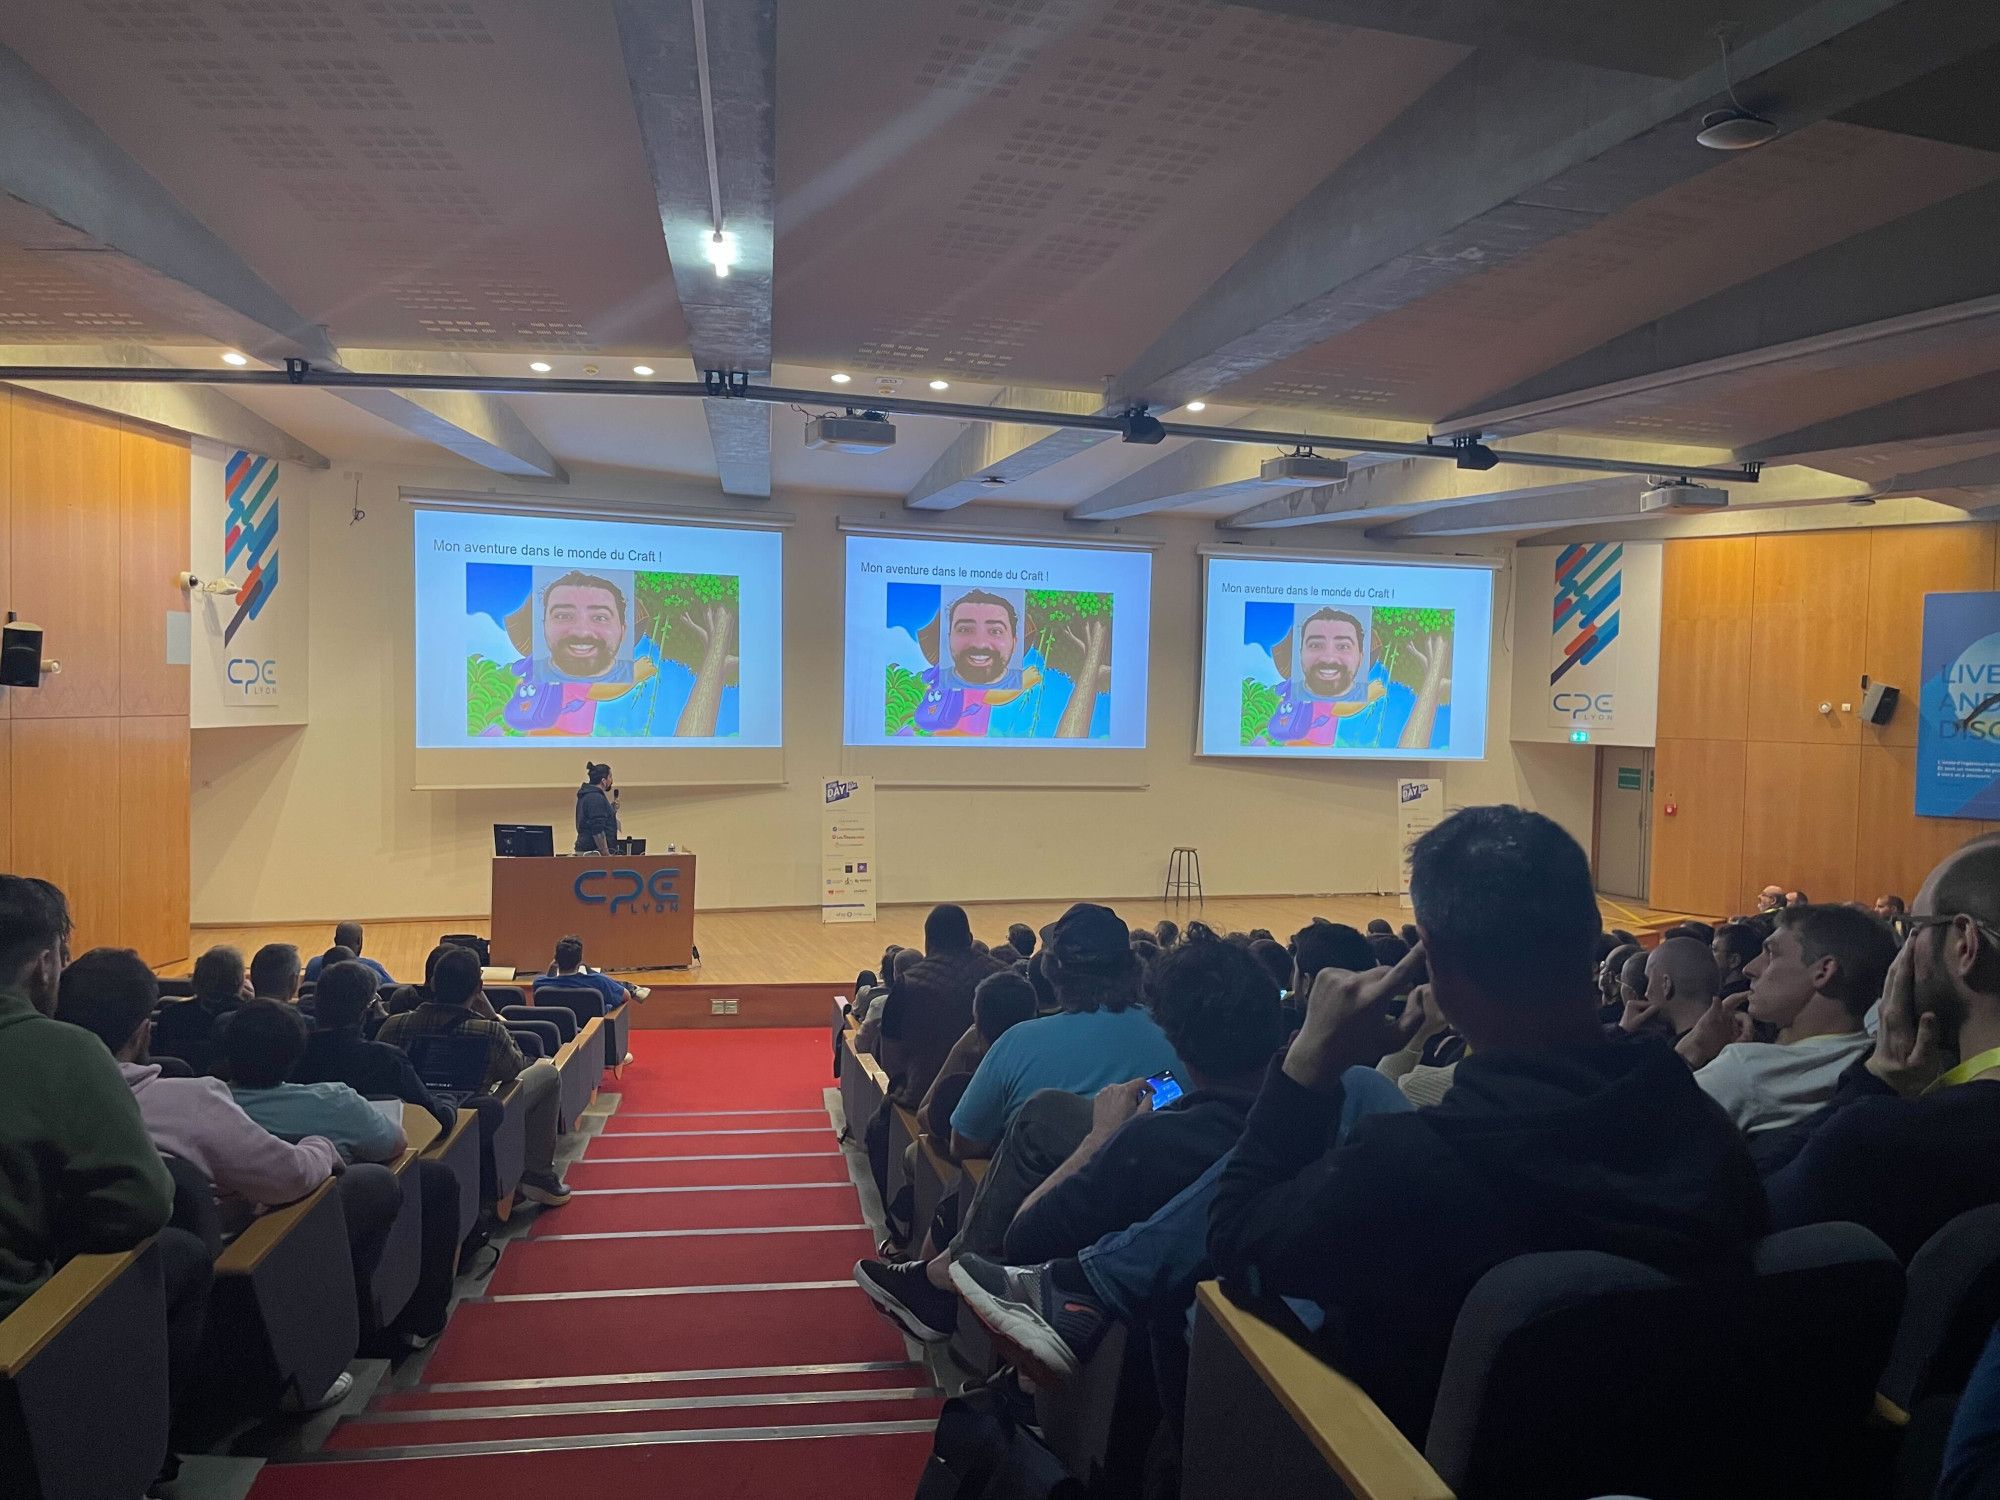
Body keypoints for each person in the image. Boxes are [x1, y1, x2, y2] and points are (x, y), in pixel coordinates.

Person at [1203, 807, 1766, 1443]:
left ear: (1434, 966)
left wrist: (1307, 1066)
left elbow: (1237, 1242)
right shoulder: (1706, 1129)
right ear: (1593, 938)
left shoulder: (1405, 1168)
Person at [853, 902, 1181, 1342]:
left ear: (1053, 971)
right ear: (1132, 968)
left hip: (1033, 1233)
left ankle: (937, 1283)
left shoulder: (1020, 1042)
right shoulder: (1177, 1041)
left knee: (969, 1176)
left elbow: (961, 1140)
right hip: (1148, 1221)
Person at [1761, 835, 2000, 1262]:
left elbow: (1738, 1209)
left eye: (1916, 928)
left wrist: (1874, 1080)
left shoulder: (1879, 1142)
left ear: (1964, 944)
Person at [1000, 938, 1286, 1266]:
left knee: (1043, 1112)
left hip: (1113, 1300)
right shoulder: (1328, 1107)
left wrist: (1100, 1137)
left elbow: (1021, 1240)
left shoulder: (1149, 1142)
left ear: (1175, 1043)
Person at [0, 879, 180, 1318]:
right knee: (184, 1251)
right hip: (18, 1334)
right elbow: (142, 1204)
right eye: (63, 957)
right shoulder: (64, 1048)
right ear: (44, 965)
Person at [57, 948, 339, 1220]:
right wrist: (322, 1146)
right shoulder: (192, 1102)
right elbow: (291, 1176)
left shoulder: (27, 1097)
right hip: (209, 1258)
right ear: (142, 1033)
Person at [377, 946, 571, 1206]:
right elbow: (514, 1070)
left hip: (409, 1123)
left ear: (433, 983)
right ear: (479, 987)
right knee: (548, 1073)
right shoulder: (489, 1032)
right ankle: (538, 1175)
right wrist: (490, 1015)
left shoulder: (393, 1025)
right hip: (470, 1116)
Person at [1677, 905, 1895, 1136]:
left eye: (1771, 954)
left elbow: (1641, 1121)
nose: (1749, 969)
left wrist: (1692, 1049)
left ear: (1823, 972)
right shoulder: (1879, 1063)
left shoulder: (1746, 1071)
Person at [296, 960, 454, 1131]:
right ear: (366, 1012)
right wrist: (449, 1099)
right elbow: (437, 1119)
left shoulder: (292, 1055)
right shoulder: (386, 1059)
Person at [876, 905, 1007, 1108]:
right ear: (970, 938)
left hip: (920, 1099)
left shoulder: (906, 983)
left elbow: (890, 1060)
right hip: (996, 1101)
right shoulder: (1004, 976)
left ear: (927, 943)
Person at [919, 970, 1040, 1147]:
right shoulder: (1045, 1069)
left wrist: (957, 1052)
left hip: (980, 1169)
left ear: (978, 1027)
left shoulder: (963, 1087)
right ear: (1034, 1016)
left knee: (914, 1151)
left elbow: (923, 1119)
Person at [150, 944, 250, 1076]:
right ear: (241, 982)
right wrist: (255, 1003)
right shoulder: (250, 1019)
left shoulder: (170, 1015)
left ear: (196, 980)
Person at [1616, 936, 1719, 1042]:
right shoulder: (1731, 1039)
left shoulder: (1659, 1055)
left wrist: (1622, 1032)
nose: (1646, 993)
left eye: (1649, 979)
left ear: (1666, 984)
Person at [303, 922, 394, 987]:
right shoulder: (372, 968)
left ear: (335, 940)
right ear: (359, 941)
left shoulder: (313, 964)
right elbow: (391, 990)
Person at [575, 760, 618, 854]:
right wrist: (606, 855)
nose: (612, 780)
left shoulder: (587, 795)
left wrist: (611, 811)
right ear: (603, 781)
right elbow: (598, 831)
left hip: (588, 851)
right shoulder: (595, 797)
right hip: (594, 854)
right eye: (610, 776)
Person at [1711, 921, 1761, 997]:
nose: (1709, 955)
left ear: (1734, 960)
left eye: (1714, 950)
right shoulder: (1754, 995)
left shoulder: (1721, 1002)